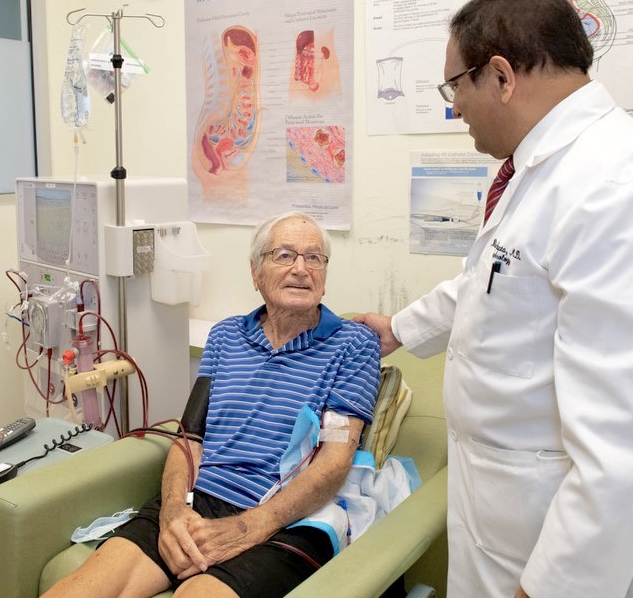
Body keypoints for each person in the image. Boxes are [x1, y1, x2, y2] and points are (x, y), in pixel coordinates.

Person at [356, 0, 633, 598]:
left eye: (454, 87)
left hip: (557, 544)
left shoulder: (617, 186)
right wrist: (399, 328)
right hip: (507, 513)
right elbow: (496, 282)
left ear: (500, 76)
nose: (453, 108)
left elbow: (629, 444)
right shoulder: (539, 169)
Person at [43, 211, 381, 598]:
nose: (301, 269)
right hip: (200, 500)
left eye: (314, 257)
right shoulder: (226, 337)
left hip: (286, 515)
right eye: (284, 255)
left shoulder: (353, 344)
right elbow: (189, 438)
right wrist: (173, 511)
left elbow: (334, 462)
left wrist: (252, 526)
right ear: (256, 274)